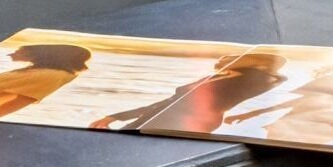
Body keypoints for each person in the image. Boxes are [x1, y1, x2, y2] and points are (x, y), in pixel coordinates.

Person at [100, 50, 299, 136]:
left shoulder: (246, 83)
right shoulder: (216, 79)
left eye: (234, 59)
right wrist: (116, 116)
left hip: (183, 121)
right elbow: (169, 101)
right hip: (164, 115)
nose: (221, 62)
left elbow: (278, 78)